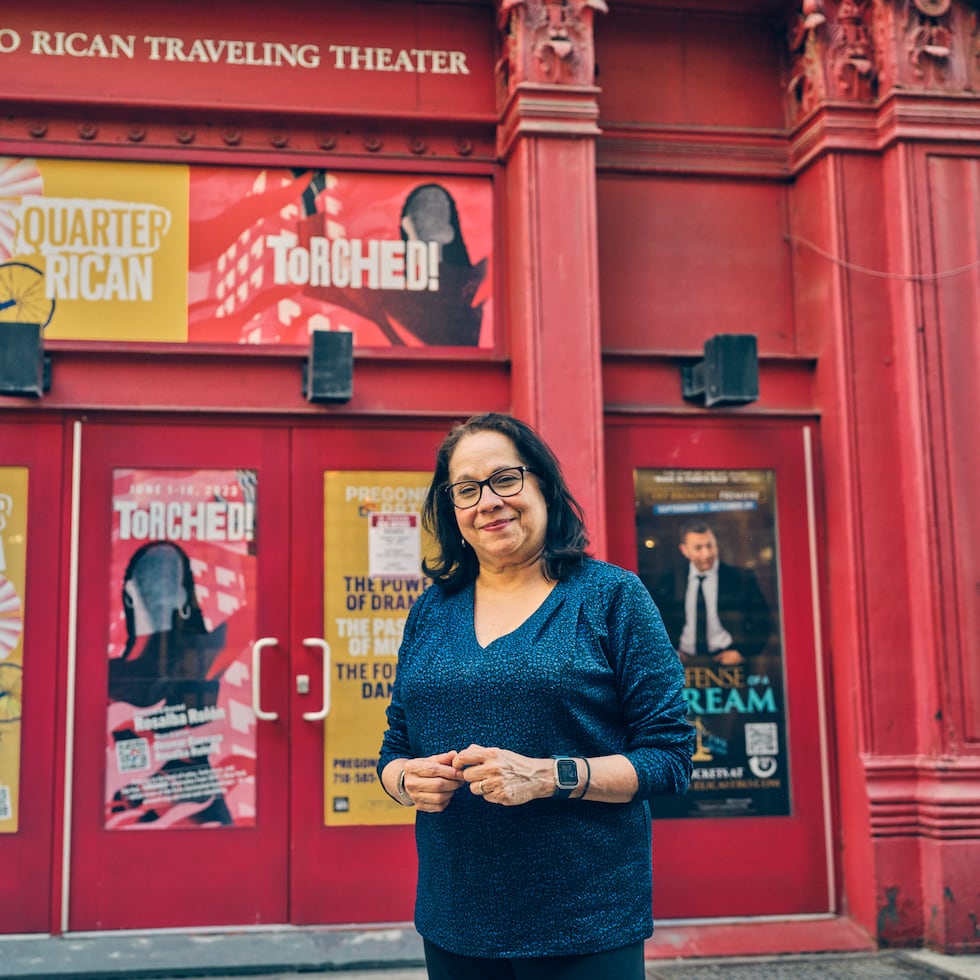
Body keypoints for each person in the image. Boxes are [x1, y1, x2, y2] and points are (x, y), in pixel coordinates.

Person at [377, 413, 694, 979]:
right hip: (455, 919)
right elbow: (395, 745)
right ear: (452, 510)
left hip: (585, 922)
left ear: (543, 485)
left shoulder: (611, 597)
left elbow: (669, 758)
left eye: (505, 479)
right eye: (467, 490)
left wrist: (550, 776)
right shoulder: (431, 611)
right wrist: (405, 780)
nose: (488, 502)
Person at [651, 519, 772, 666]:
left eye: (710, 545)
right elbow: (655, 622)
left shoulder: (740, 578)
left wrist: (743, 652)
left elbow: (764, 622)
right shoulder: (669, 580)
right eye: (698, 548)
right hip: (683, 663)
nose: (707, 553)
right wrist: (669, 652)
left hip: (729, 662)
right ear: (684, 550)